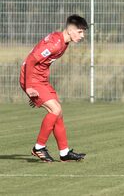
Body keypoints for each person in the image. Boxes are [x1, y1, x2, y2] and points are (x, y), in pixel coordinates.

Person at [20, 14, 88, 162]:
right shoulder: (55, 44)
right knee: (55, 110)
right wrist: (29, 87)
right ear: (70, 30)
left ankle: (64, 153)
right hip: (33, 79)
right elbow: (31, 60)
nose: (82, 35)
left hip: (41, 80)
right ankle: (38, 147)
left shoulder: (63, 42)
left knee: (59, 113)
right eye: (80, 31)